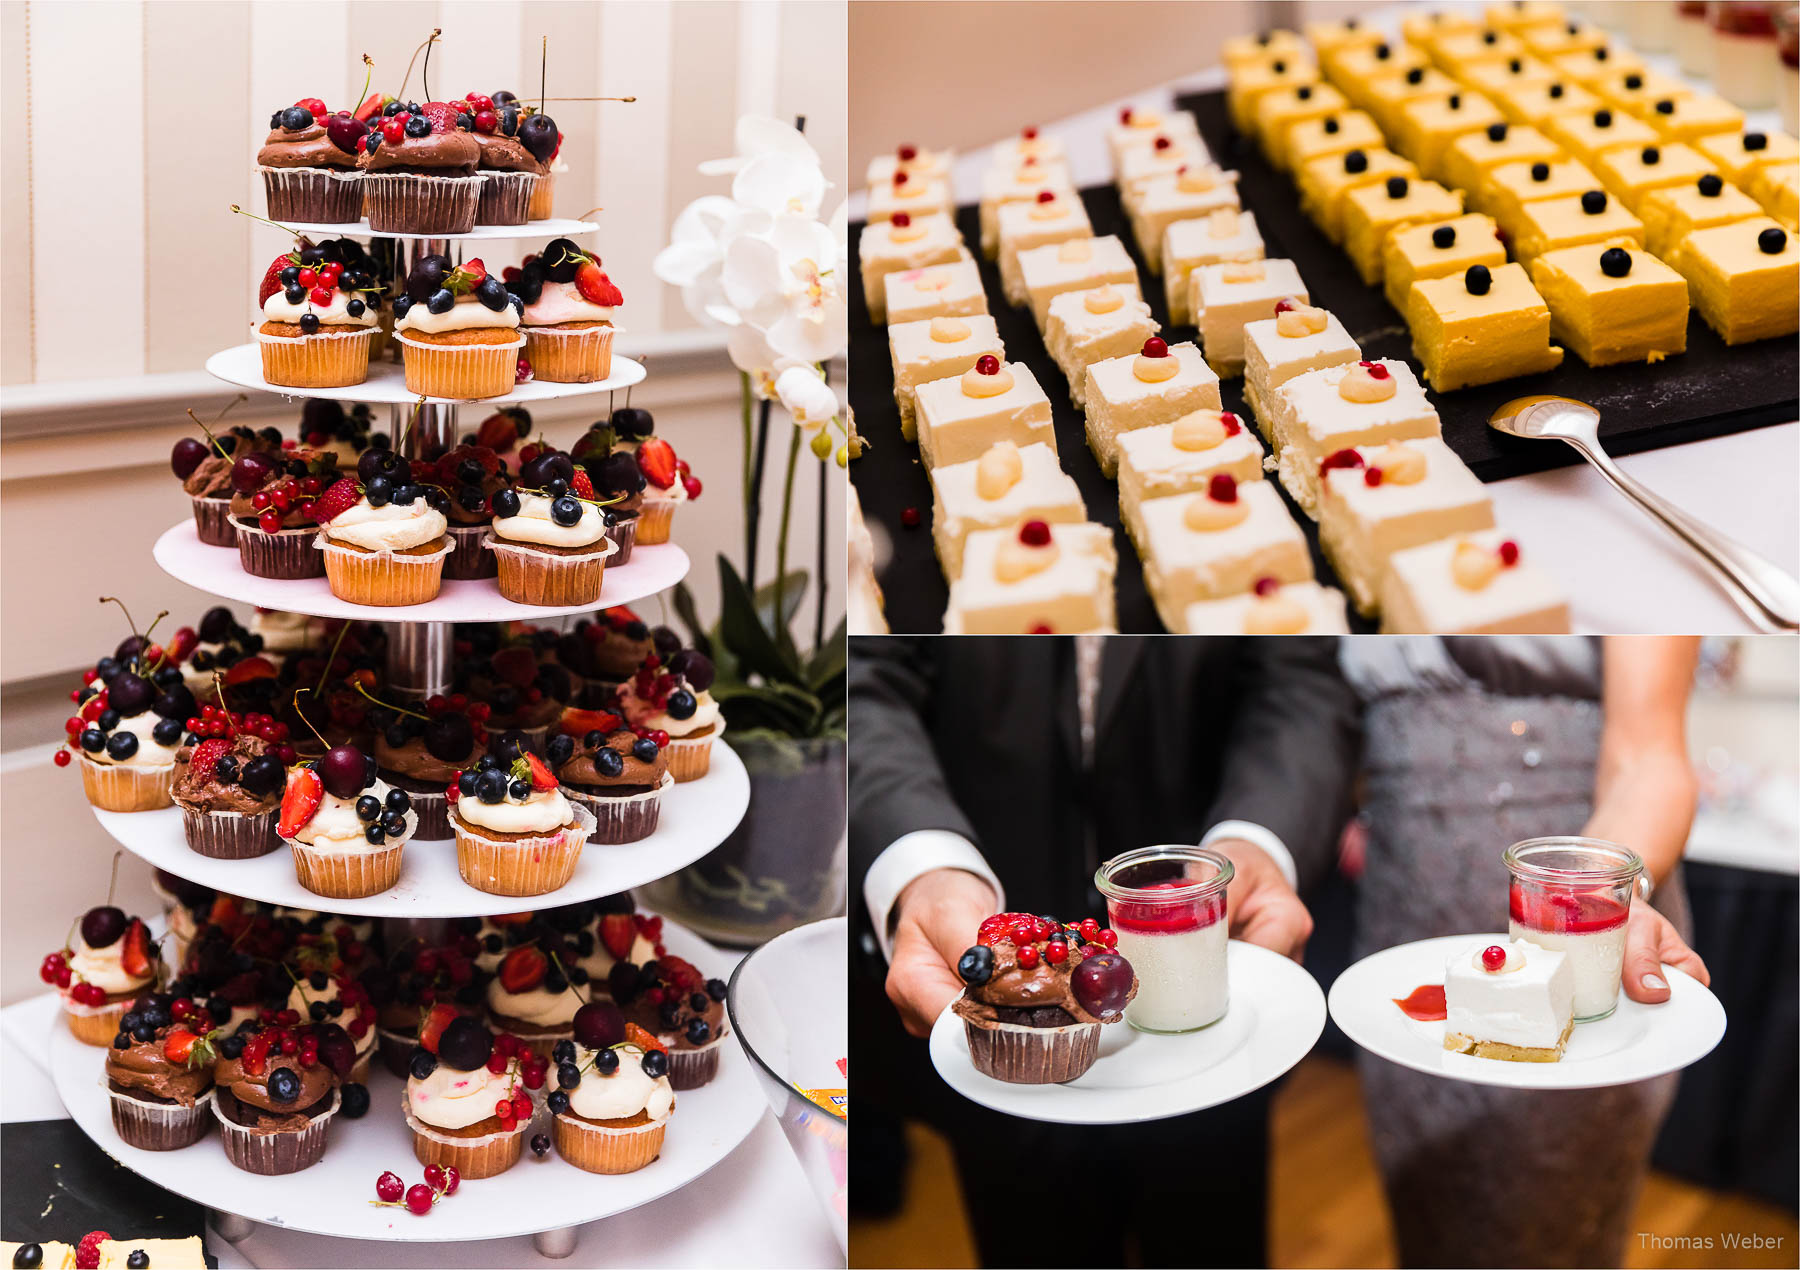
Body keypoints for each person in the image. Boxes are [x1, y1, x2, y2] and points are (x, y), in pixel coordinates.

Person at [850, 635, 1360, 1268]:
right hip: (1011, 1035)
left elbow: (1298, 679)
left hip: (1209, 1003)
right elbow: (862, 678)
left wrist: (1256, 844)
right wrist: (924, 866)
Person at [1340, 635, 1711, 1269]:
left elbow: (1647, 758)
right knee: (1428, 1224)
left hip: (1580, 932)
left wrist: (1591, 894)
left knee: (1544, 1233)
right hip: (1408, 924)